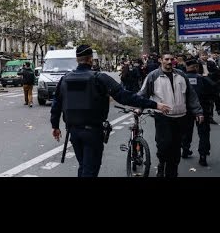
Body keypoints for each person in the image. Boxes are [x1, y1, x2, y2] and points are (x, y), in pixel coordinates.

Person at [51, 44, 170, 177]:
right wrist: (155, 105)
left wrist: (55, 126)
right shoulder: (99, 78)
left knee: (84, 166)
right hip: (93, 132)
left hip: (73, 131)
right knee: (90, 170)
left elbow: (56, 104)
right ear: (91, 59)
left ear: (77, 59)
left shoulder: (65, 79)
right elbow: (124, 96)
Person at [138, 52, 203, 177]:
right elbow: (143, 94)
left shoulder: (181, 75)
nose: (169, 62)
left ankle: (172, 172)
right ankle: (162, 163)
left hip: (180, 117)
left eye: (171, 59)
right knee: (164, 146)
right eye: (166, 59)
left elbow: (191, 95)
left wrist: (198, 111)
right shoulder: (153, 76)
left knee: (176, 148)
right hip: (163, 117)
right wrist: (139, 108)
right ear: (160, 60)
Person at [180, 58, 218, 166]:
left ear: (186, 67)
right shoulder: (203, 79)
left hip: (186, 110)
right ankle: (203, 156)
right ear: (196, 67)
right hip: (202, 110)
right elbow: (215, 91)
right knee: (203, 133)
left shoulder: (181, 79)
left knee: (186, 131)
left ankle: (185, 150)